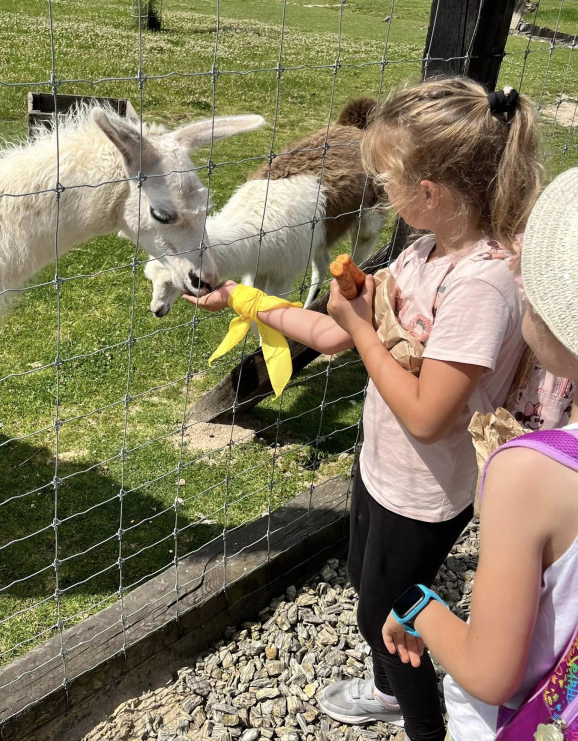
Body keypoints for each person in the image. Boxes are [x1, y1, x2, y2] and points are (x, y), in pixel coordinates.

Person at [182, 77, 542, 741]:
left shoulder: (480, 287)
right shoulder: (421, 253)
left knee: (390, 606)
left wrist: (366, 327)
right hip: (382, 466)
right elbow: (330, 333)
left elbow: (430, 415)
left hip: (428, 490)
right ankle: (385, 684)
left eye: (386, 179)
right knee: (361, 575)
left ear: (427, 193)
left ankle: (422, 719)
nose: (379, 192)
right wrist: (242, 298)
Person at [381, 167, 578, 740]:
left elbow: (491, 674)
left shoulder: (531, 474)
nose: (513, 267)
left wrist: (419, 607)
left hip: (526, 721)